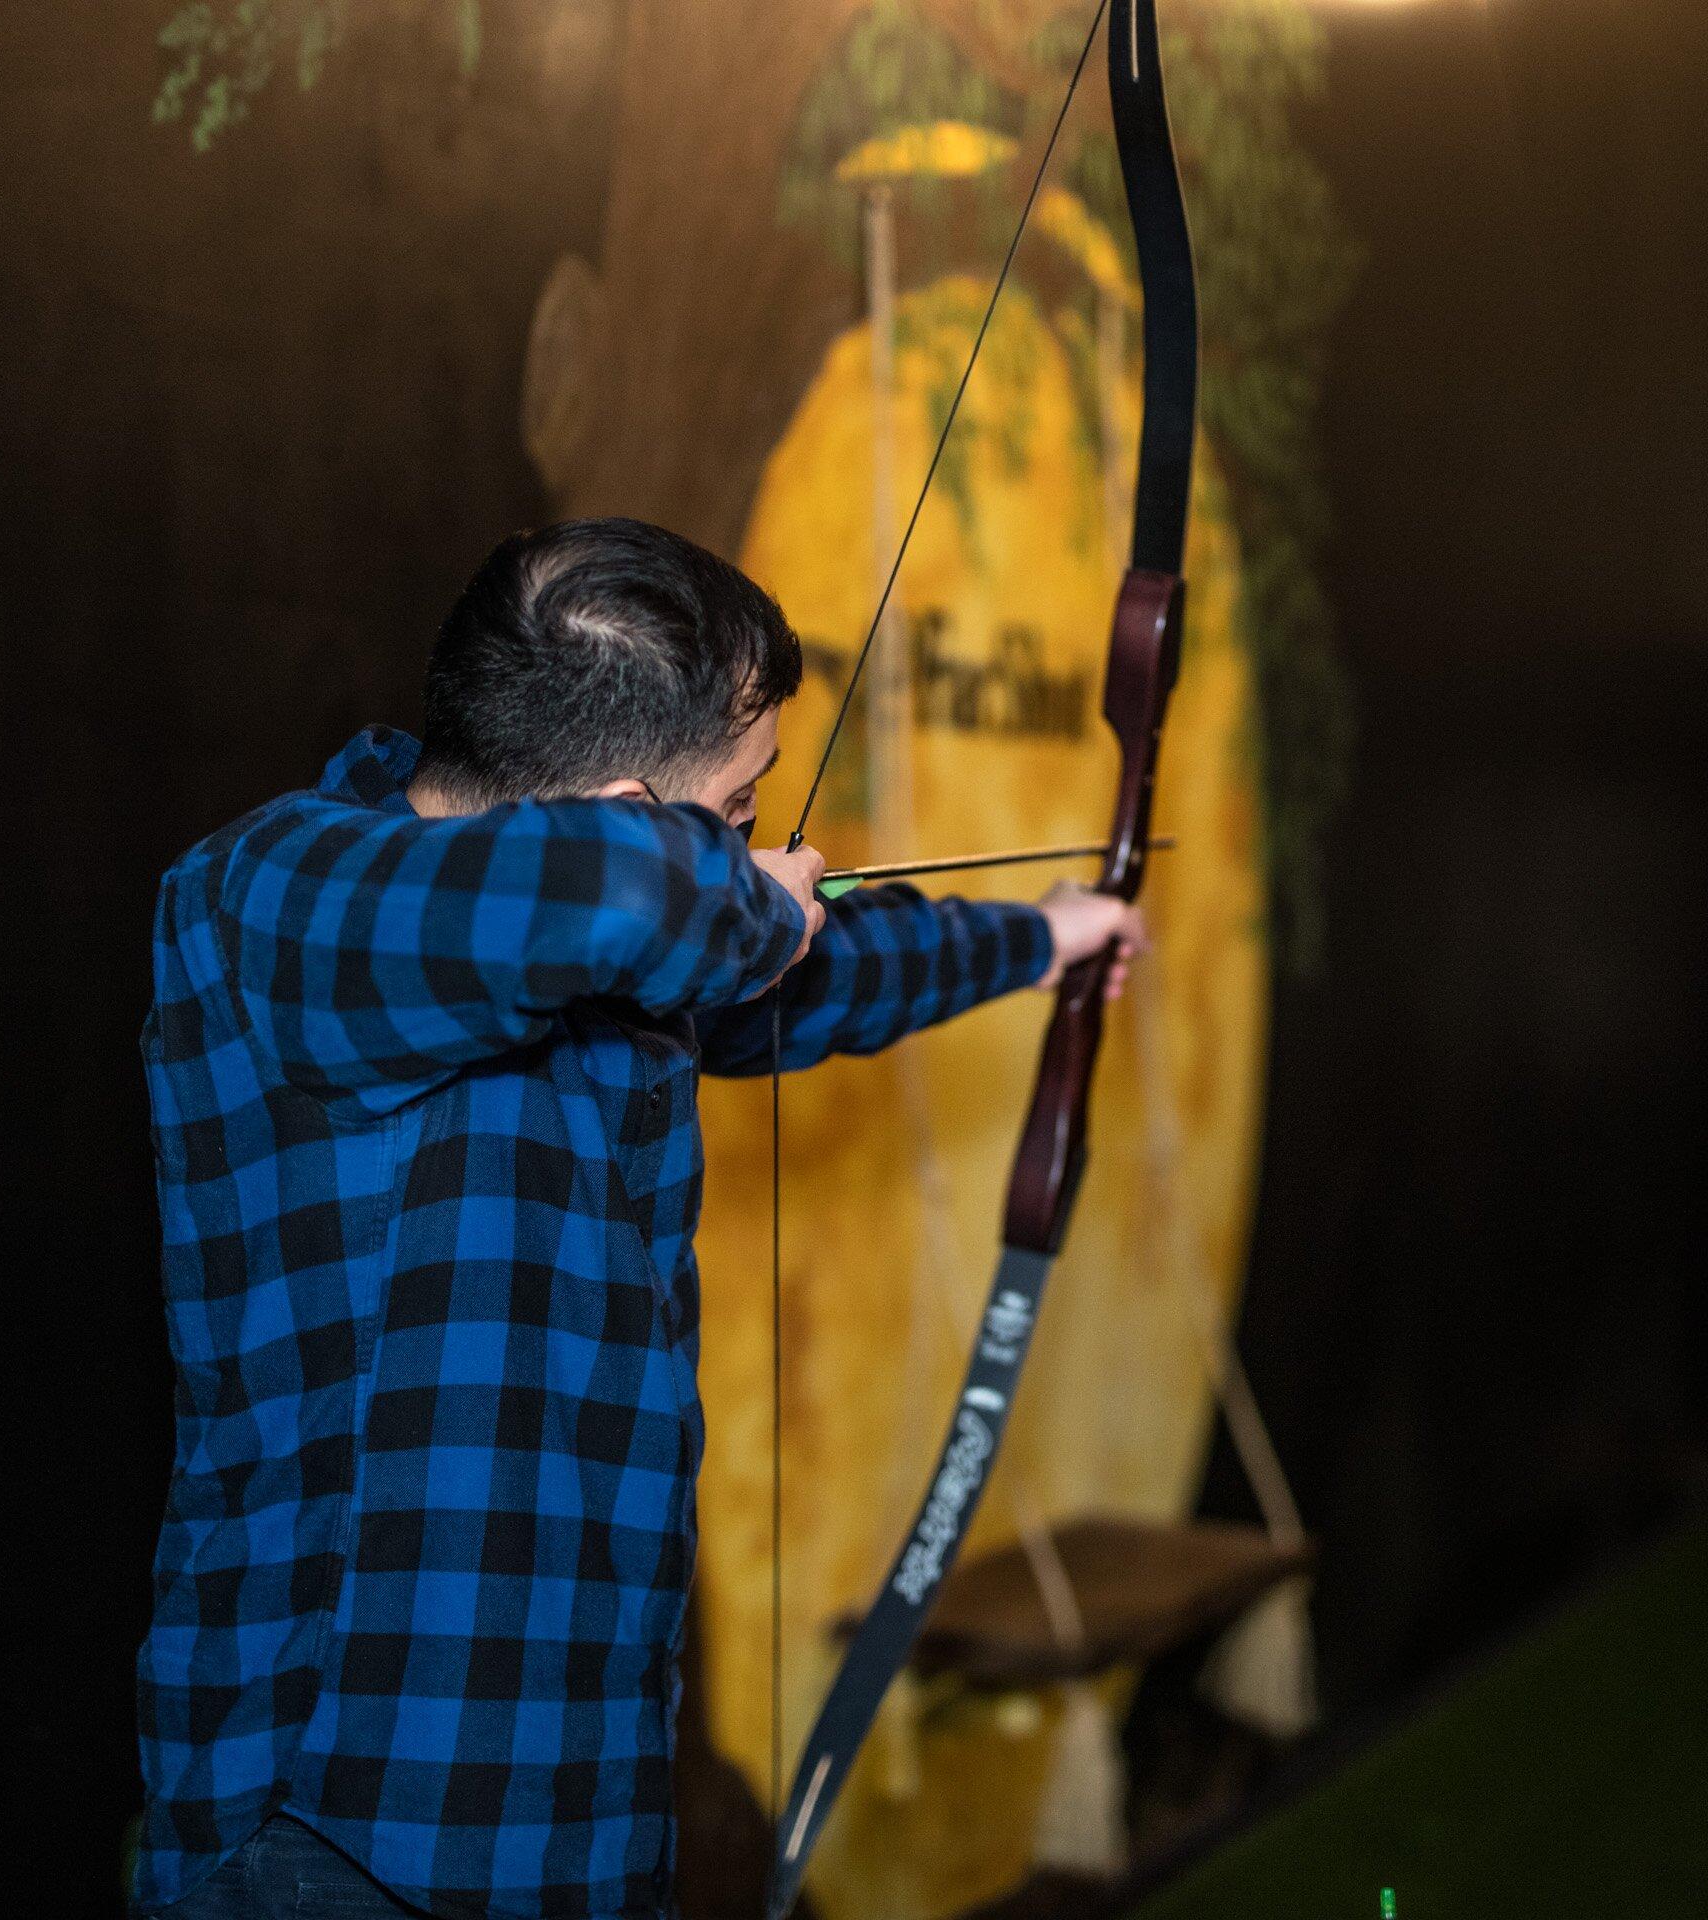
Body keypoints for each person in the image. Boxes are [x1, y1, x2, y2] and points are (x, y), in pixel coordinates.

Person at [131, 519, 1143, 1918]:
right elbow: (614, 894)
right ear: (621, 804)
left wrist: (1042, 939)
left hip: (577, 1812)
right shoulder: (274, 903)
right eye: (738, 807)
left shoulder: (625, 941)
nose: (759, 840)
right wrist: (717, 886)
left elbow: (815, 965)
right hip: (335, 1828)